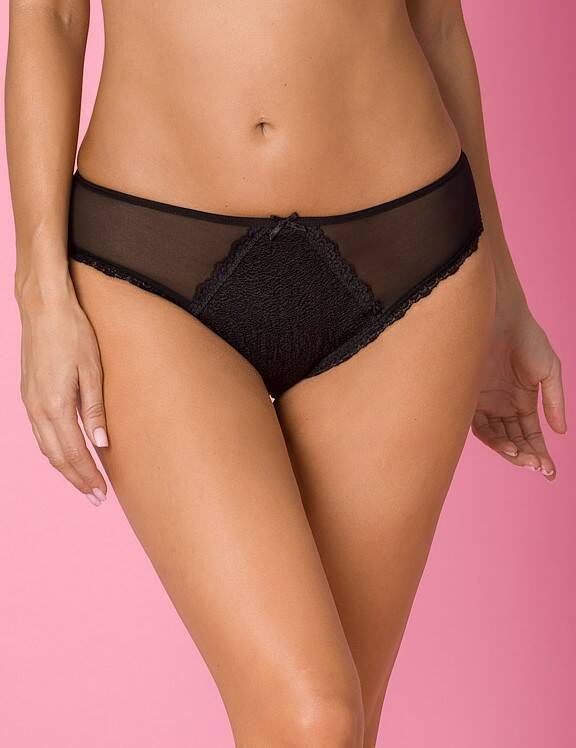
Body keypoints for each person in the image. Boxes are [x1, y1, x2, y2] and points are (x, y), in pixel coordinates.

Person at [5, 1, 566, 745]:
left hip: (411, 260)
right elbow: (49, 17)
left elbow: (436, 24)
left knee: (342, 728)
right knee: (314, 716)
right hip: (149, 262)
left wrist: (505, 300)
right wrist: (41, 293)